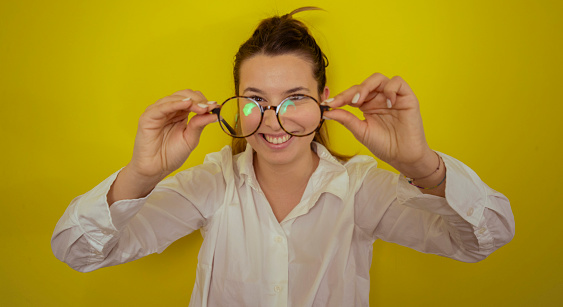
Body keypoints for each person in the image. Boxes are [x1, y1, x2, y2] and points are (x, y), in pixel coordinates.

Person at [51, 7, 515, 306]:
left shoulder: (361, 189)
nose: (273, 121)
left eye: (294, 98)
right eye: (255, 100)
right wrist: (140, 174)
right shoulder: (212, 184)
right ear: (231, 103)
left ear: (325, 101)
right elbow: (79, 252)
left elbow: (482, 240)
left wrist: (420, 166)